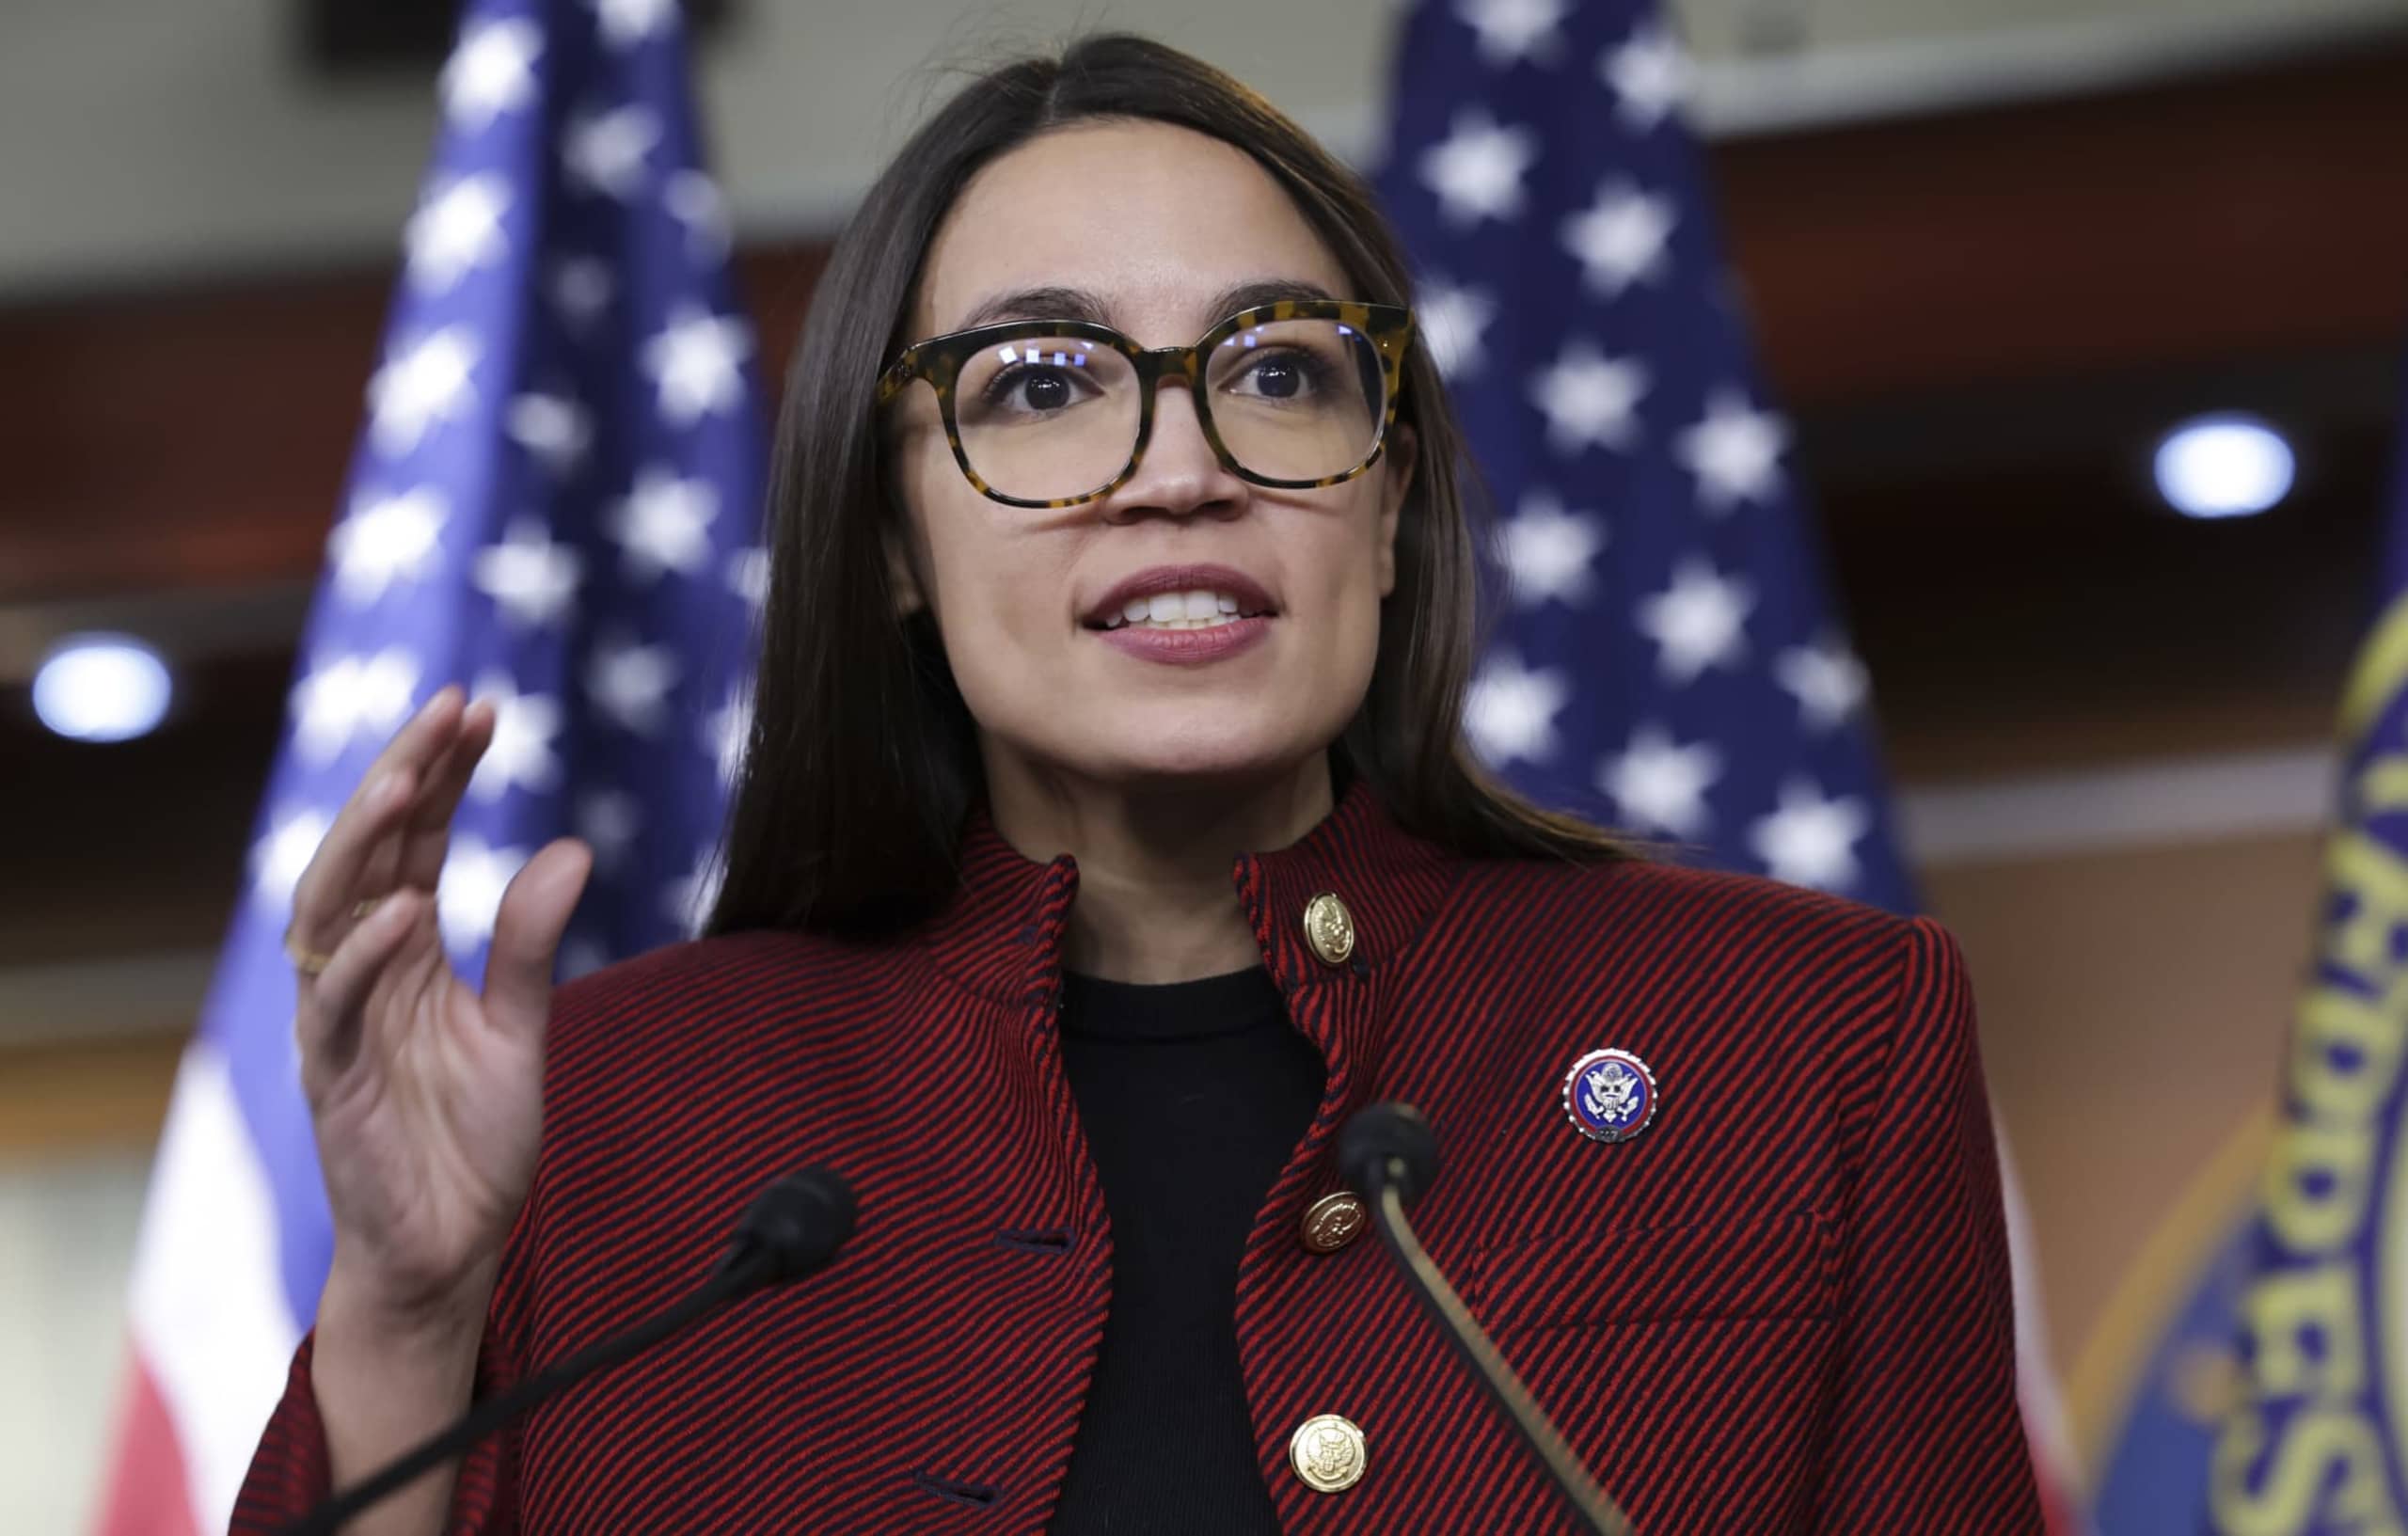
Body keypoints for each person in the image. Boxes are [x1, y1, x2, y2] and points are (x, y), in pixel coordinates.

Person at [233, 32, 2043, 1535]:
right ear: (888, 539)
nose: (1179, 469)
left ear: (1389, 501)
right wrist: (406, 1311)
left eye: (1277, 370)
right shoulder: (618, 1115)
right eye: (1040, 386)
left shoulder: (1804, 1040)